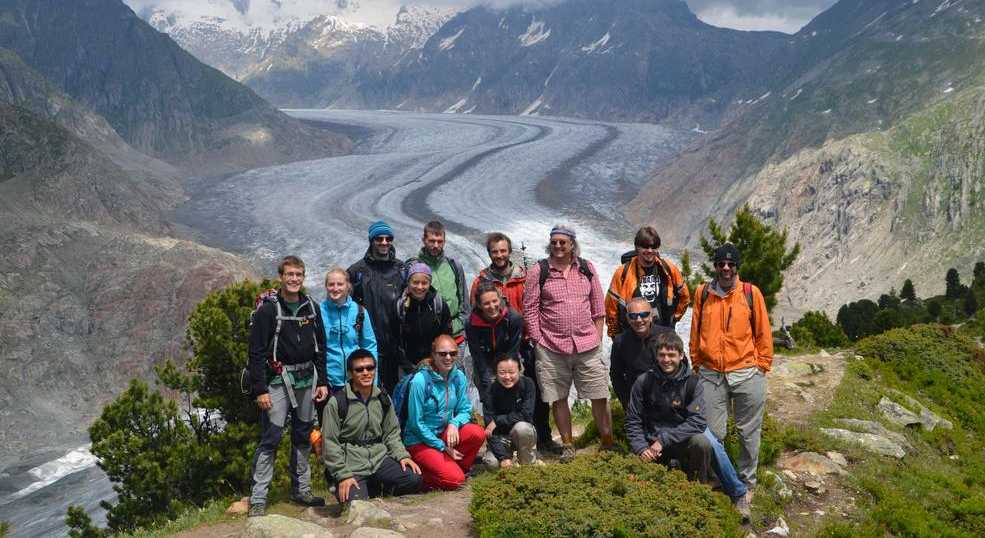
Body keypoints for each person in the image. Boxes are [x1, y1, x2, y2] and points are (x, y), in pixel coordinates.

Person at [624, 332, 751, 519]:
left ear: (681, 356)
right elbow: (633, 420)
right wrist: (641, 448)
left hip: (683, 436)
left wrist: (664, 440)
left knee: (707, 442)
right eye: (662, 355)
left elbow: (697, 422)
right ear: (656, 356)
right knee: (634, 479)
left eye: (671, 355)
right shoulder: (644, 382)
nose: (666, 360)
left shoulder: (693, 382)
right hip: (652, 441)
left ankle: (729, 493)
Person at [247, 256, 329, 517]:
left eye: (298, 275)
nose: (294, 279)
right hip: (277, 381)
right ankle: (258, 498)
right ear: (280, 276)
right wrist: (260, 389)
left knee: (303, 435)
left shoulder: (311, 308)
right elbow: (256, 351)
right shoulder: (269, 310)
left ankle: (301, 489)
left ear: (303, 277)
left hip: (307, 379)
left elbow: (321, 348)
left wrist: (323, 381)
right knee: (271, 437)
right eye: (290, 274)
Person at [522, 224, 612, 462]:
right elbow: (530, 309)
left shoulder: (586, 268)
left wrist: (598, 335)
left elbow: (598, 306)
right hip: (551, 346)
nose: (558, 246)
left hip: (587, 344)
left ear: (572, 243)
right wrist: (538, 341)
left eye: (563, 242)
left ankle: (607, 441)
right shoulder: (538, 271)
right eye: (555, 242)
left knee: (599, 393)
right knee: (558, 397)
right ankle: (568, 445)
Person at [690, 243, 772, 494]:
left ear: (737, 267)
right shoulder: (703, 293)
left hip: (747, 372)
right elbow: (695, 330)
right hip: (711, 373)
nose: (725, 268)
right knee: (712, 433)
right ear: (715, 266)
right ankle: (719, 477)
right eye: (721, 264)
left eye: (730, 264)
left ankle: (747, 481)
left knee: (749, 433)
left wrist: (762, 366)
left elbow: (763, 333)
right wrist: (696, 362)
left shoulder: (750, 293)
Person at [470, 232, 557, 453]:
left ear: (509, 251)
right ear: (489, 253)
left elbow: (538, 305)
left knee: (533, 391)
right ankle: (501, 445)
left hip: (522, 343)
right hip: (491, 348)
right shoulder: (481, 281)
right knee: (494, 393)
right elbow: (476, 314)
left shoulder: (524, 276)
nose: (499, 255)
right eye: (494, 251)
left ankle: (542, 437)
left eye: (502, 250)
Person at [321, 349, 423, 505]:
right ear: (350, 373)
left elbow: (391, 433)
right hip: (351, 463)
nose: (365, 373)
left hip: (379, 458)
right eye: (359, 369)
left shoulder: (382, 397)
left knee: (414, 479)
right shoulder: (337, 402)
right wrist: (343, 475)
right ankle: (348, 486)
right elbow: (330, 443)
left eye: (370, 368)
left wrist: (402, 456)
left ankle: (373, 487)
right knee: (355, 503)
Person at [403, 335, 487, 490]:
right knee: (455, 481)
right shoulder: (420, 381)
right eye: (443, 354)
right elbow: (416, 423)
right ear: (433, 355)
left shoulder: (458, 376)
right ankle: (415, 476)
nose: (448, 357)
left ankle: (455, 469)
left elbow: (465, 409)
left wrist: (454, 423)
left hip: (443, 433)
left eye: (453, 353)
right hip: (419, 440)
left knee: (477, 433)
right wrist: (442, 447)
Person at [348, 220, 405, 391]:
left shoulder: (400, 269)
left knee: (397, 394)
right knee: (370, 393)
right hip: (368, 345)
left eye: (388, 238)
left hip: (396, 346)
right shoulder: (357, 271)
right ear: (371, 241)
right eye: (379, 239)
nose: (384, 242)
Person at [605, 226, 689, 337]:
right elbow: (611, 306)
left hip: (662, 333)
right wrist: (615, 335)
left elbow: (684, 296)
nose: (650, 250)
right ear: (637, 247)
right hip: (633, 334)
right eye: (645, 246)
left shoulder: (668, 268)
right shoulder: (623, 272)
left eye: (653, 247)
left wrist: (673, 320)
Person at [407, 220, 469, 344]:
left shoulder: (454, 265)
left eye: (440, 241)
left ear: (444, 241)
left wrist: (457, 325)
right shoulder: (413, 267)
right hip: (428, 339)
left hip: (455, 336)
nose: (436, 245)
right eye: (431, 241)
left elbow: (464, 301)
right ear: (424, 240)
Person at [319, 268, 378, 393]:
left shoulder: (359, 311)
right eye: (331, 284)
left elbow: (369, 346)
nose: (335, 288)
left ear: (348, 286)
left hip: (357, 379)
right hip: (328, 382)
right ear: (326, 286)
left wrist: (374, 379)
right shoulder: (318, 312)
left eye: (340, 284)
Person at [609, 297, 672, 409]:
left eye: (644, 315)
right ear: (628, 319)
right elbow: (616, 375)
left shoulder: (667, 335)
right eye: (633, 316)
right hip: (636, 401)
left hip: (667, 399)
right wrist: (627, 402)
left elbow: (682, 368)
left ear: (652, 316)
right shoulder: (620, 342)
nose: (639, 320)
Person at [465, 282, 523, 401]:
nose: (492, 306)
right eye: (486, 303)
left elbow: (513, 351)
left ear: (500, 299)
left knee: (511, 399)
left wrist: (505, 375)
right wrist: (487, 381)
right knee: (490, 399)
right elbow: (477, 355)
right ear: (479, 305)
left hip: (509, 361)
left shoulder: (513, 318)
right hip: (485, 364)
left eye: (494, 301)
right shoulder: (471, 323)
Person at [395, 262, 453, 376]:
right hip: (408, 368)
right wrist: (408, 366)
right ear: (408, 282)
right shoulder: (399, 306)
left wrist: (434, 361)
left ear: (430, 284)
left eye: (424, 283)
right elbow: (394, 341)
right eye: (415, 282)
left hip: (436, 366)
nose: (420, 287)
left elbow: (447, 337)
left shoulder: (439, 304)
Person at [482, 354, 539, 468]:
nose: (507, 377)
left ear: (519, 370)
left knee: (522, 428)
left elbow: (526, 415)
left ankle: (528, 465)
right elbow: (489, 430)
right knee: (491, 464)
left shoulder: (528, 384)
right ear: (495, 374)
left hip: (521, 433)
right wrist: (503, 457)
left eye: (512, 372)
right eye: (502, 373)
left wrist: (498, 420)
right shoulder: (490, 391)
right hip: (501, 437)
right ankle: (509, 458)